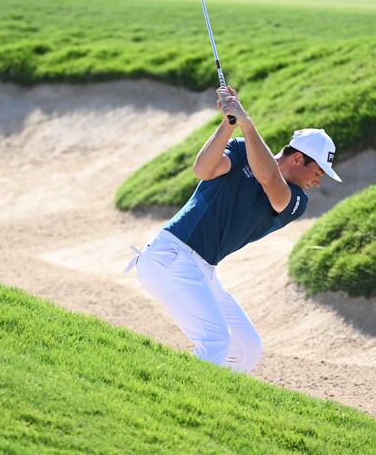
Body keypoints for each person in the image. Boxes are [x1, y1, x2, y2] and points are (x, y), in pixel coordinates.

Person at [125, 85, 342, 373]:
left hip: (201, 268)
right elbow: (203, 169)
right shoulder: (239, 150)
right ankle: (182, 400)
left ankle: (213, 403)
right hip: (170, 256)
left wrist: (247, 123)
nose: (318, 182)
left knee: (248, 349)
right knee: (216, 341)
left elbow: (268, 178)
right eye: (318, 173)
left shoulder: (296, 199)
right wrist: (229, 123)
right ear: (298, 158)